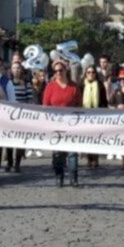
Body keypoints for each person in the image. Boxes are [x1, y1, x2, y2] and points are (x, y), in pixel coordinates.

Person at [42, 58, 80, 187]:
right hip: (55, 125)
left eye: (60, 70)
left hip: (71, 125)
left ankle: (74, 178)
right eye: (56, 71)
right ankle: (59, 176)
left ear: (65, 70)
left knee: (72, 153)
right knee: (58, 154)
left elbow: (79, 106)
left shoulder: (73, 87)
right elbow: (46, 105)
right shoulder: (50, 86)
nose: (58, 73)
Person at [80, 63, 109, 169]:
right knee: (87, 138)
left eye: (93, 72)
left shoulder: (100, 85)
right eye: (88, 72)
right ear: (85, 74)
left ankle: (95, 158)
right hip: (85, 115)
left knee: (96, 138)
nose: (91, 74)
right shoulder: (82, 85)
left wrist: (104, 113)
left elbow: (104, 101)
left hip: (97, 115)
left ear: (96, 74)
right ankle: (89, 158)